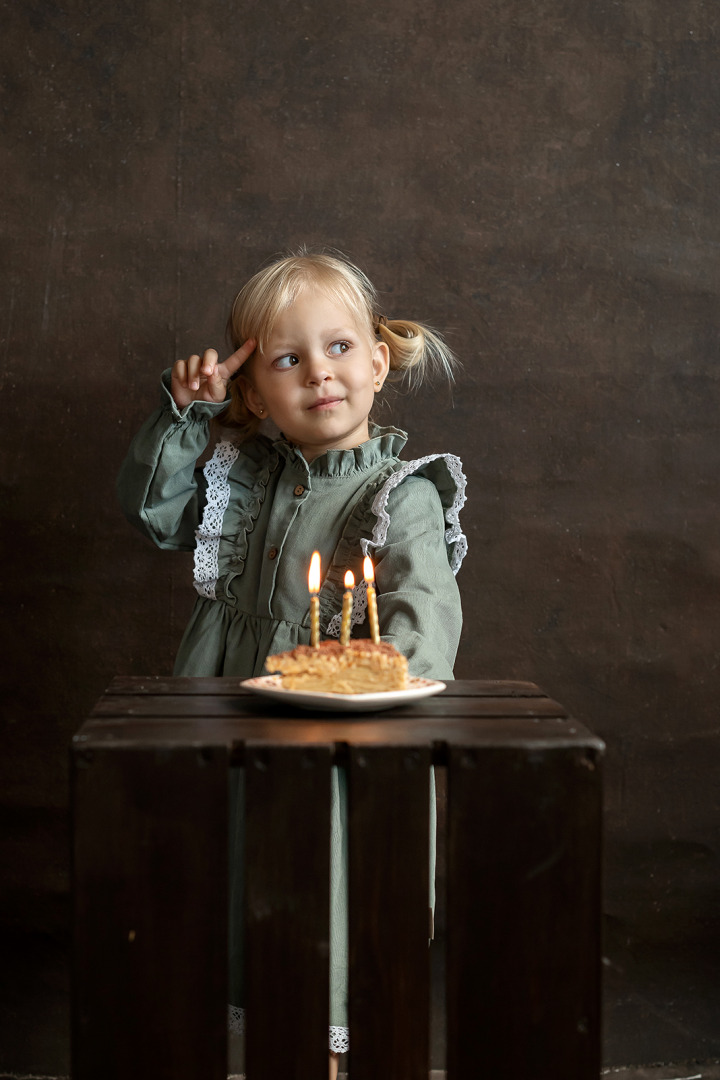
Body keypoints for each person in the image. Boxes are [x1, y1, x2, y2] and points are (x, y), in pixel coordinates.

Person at [117, 250, 468, 1079]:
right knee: (225, 887)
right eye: (288, 359)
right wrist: (185, 417)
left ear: (379, 361)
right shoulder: (243, 474)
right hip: (228, 719)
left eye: (340, 348)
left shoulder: (400, 492)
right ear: (253, 393)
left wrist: (363, 686)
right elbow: (154, 517)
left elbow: (427, 627)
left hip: (340, 748)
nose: (320, 373)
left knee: (331, 905)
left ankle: (335, 1064)